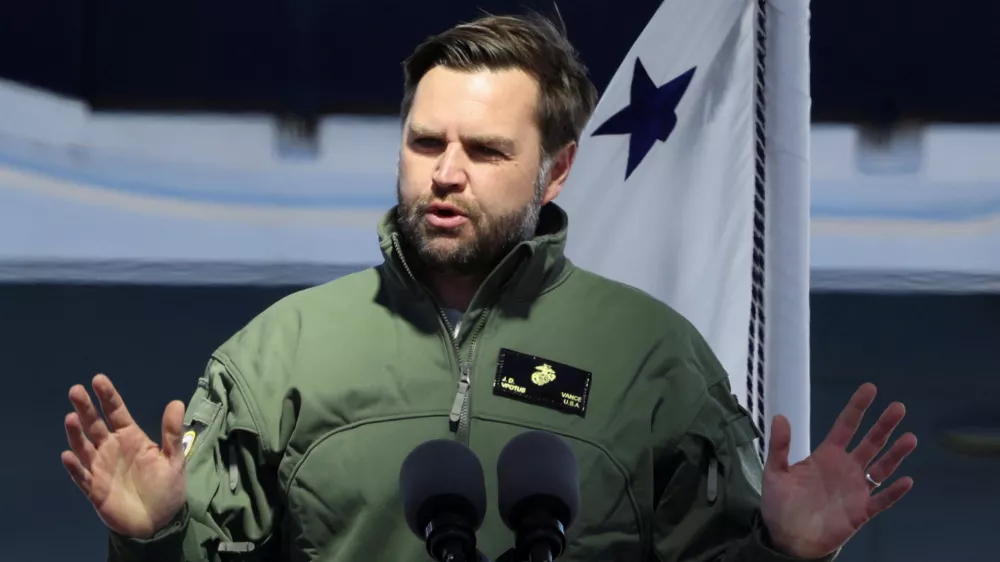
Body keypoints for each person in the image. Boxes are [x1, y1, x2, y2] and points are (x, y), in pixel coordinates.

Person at [61, 12, 917, 562]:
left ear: (558, 169)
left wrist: (782, 551)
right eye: (426, 142)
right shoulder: (277, 356)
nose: (446, 173)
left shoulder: (656, 360)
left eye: (485, 151)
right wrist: (154, 536)